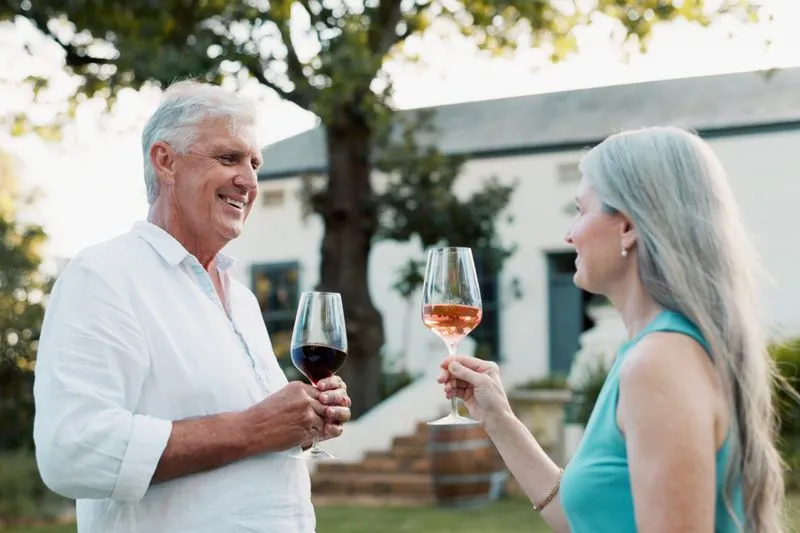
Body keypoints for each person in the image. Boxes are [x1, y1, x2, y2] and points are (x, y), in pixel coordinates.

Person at [32, 81, 351, 533]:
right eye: (229, 158)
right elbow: (72, 452)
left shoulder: (240, 299)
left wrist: (303, 422)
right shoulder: (103, 276)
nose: (250, 180)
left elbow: (255, 444)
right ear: (166, 162)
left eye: (255, 163)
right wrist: (255, 428)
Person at [438, 126, 787, 533]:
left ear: (627, 227)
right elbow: (583, 519)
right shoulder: (649, 352)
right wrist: (498, 418)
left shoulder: (660, 363)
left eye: (581, 210)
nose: (569, 234)